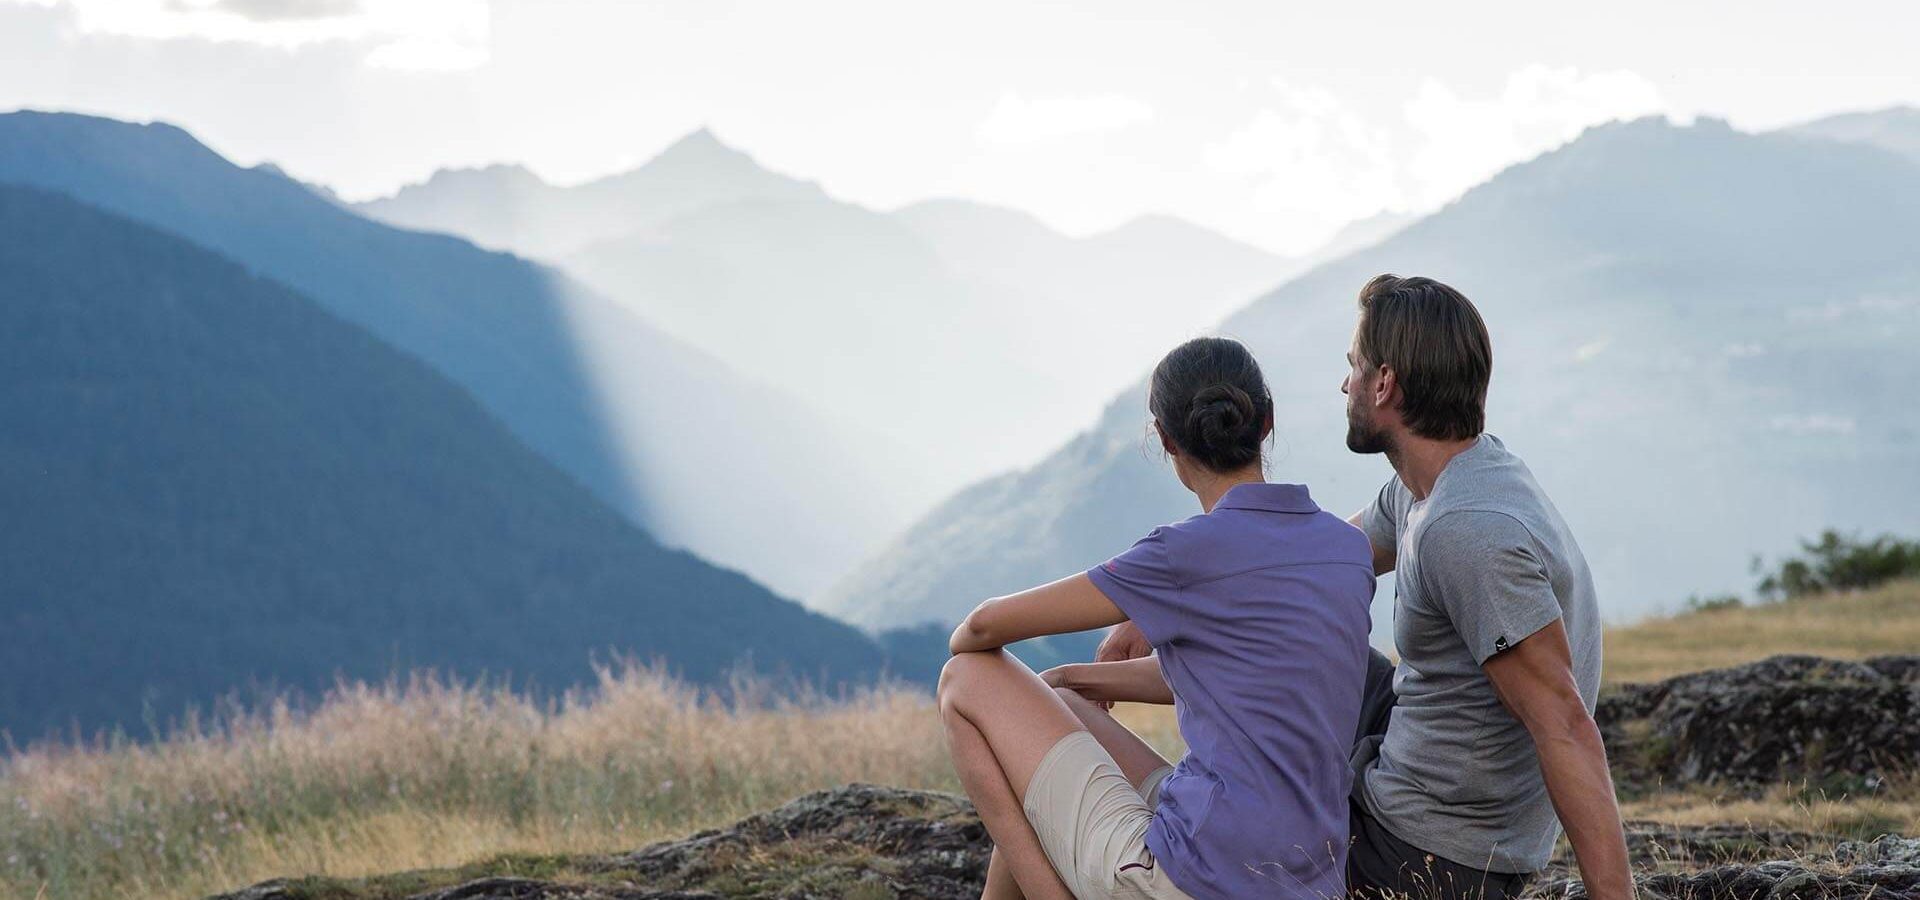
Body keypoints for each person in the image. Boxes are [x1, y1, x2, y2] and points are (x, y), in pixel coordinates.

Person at [1100, 275, 1634, 900]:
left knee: (1235, 834)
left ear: (1384, 384)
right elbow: (1307, 561)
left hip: (1427, 852)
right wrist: (1155, 603)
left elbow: (1563, 722)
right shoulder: (1439, 480)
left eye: (1353, 366)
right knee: (1318, 647)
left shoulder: (1467, 532)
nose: (1344, 384)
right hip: (1417, 767)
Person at [938, 336, 1377, 900]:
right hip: (1303, 879)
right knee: (1063, 704)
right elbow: (1245, 675)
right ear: (1266, 421)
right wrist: (1074, 678)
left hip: (1194, 878)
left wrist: (1139, 597)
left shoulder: (1181, 555)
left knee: (966, 677)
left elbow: (980, 629)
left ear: (1165, 439)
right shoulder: (1347, 549)